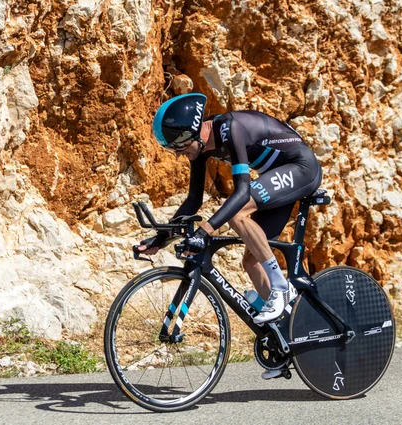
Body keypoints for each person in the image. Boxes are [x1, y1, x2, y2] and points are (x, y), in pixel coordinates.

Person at [138, 92, 322, 378]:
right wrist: (161, 238)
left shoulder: (230, 128)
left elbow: (242, 192)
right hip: (276, 177)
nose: (176, 153)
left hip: (301, 169)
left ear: (195, 132)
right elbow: (192, 202)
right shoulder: (200, 147)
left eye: (178, 145)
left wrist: (206, 230)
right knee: (250, 262)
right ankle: (287, 337)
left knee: (238, 214)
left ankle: (280, 288)